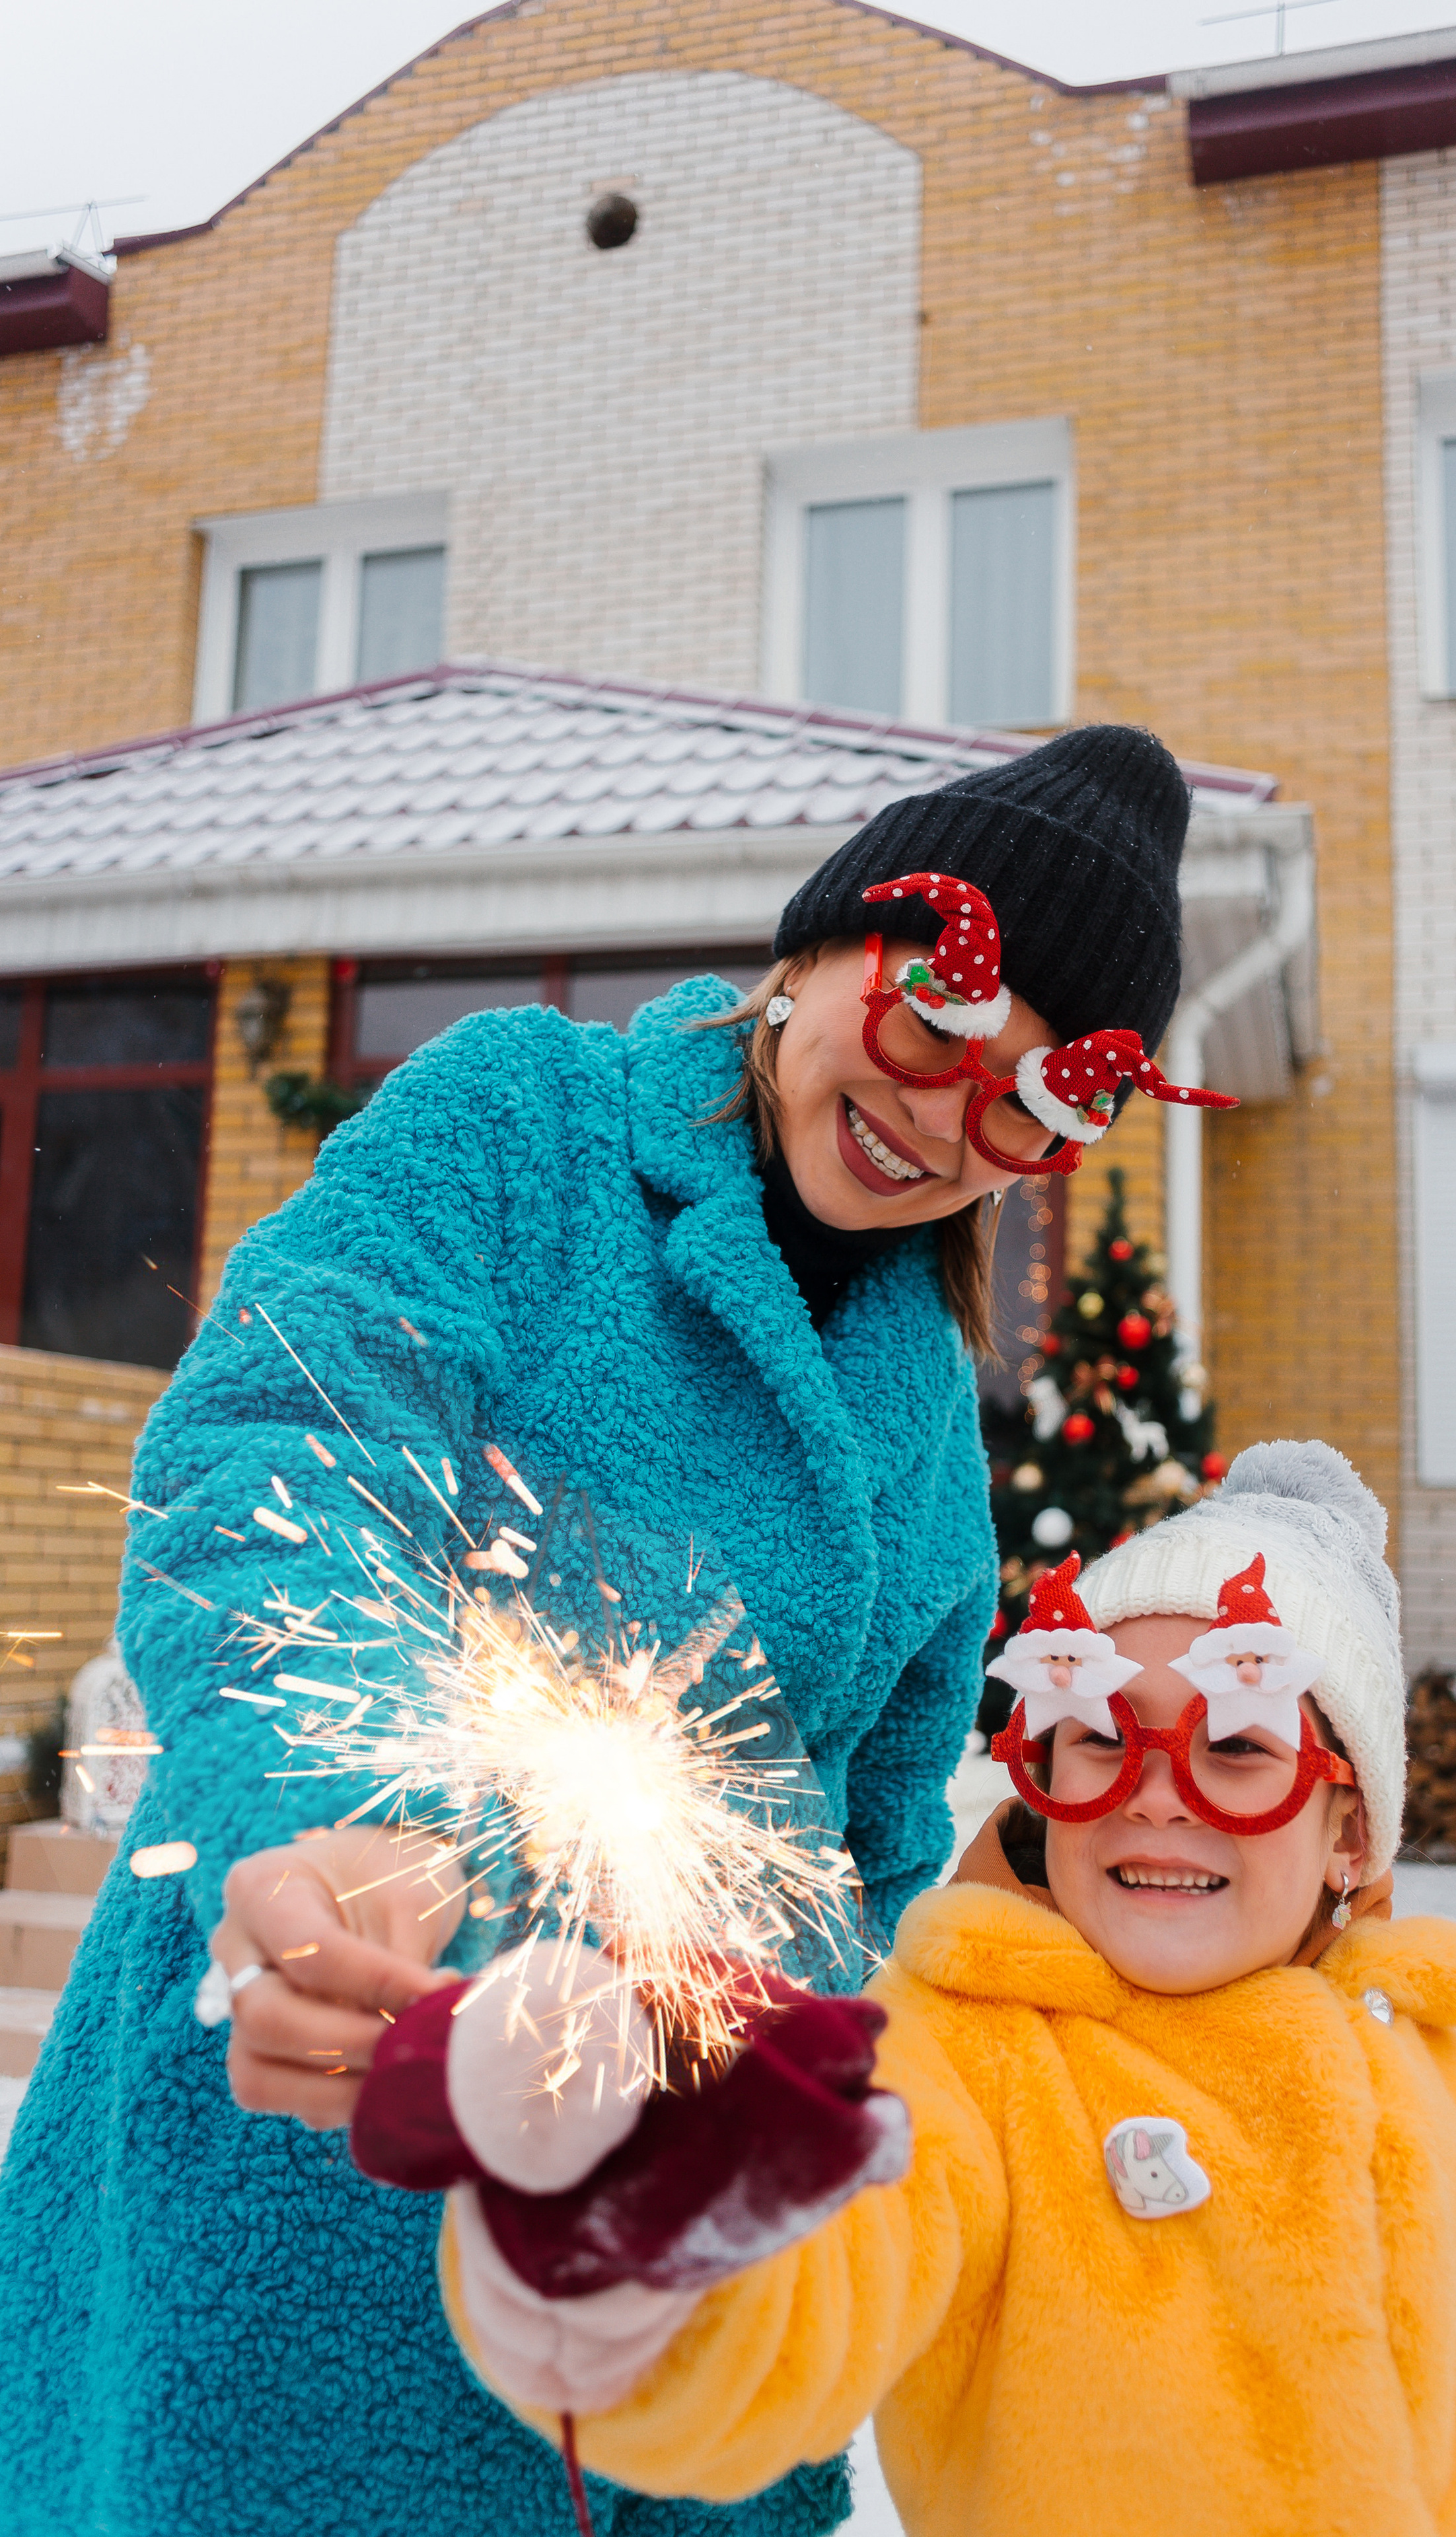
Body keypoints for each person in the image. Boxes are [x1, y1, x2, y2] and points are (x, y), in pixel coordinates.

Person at [0, 727, 1223, 2537]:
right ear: (816, 948)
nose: (952, 1119)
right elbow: (289, 1446)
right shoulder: (523, 1124)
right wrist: (344, 1814)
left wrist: (792, 2143)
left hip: (678, 2240)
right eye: (931, 1024)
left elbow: (874, 1845)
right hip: (323, 2156)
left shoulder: (926, 1433)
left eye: (1040, 1102)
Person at [355, 1443, 1456, 2537]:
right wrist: (649, 2220)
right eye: (1096, 1744)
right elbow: (821, 2292)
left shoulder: (1437, 2062)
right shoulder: (978, 2061)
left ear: (1351, 1834)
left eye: (1235, 1749)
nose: (1158, 1795)